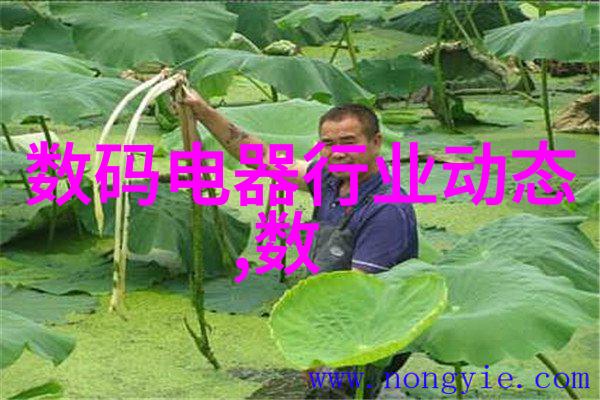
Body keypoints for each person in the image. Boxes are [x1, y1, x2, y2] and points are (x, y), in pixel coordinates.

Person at [181, 88, 418, 398]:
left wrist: (315, 350)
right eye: (328, 144)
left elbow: (358, 294)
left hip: (369, 334)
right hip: (330, 319)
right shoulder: (330, 180)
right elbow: (262, 158)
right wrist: (203, 111)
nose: (338, 152)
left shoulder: (386, 209)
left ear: (376, 142)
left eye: (349, 142)